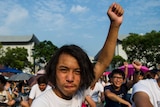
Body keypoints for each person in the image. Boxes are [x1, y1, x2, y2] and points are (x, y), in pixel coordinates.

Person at [31, 2, 124, 107]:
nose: (70, 78)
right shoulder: (42, 103)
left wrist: (115, 25)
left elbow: (102, 62)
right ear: (53, 72)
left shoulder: (78, 93)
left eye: (77, 71)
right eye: (63, 70)